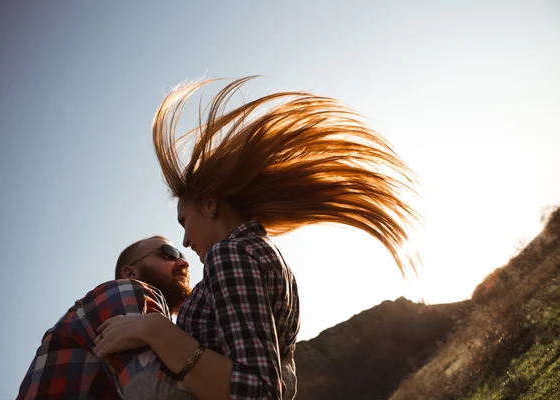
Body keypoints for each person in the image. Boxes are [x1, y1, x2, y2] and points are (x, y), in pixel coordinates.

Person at [94, 77, 418, 400]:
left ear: (209, 203)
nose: (187, 242)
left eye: (184, 222)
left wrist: (156, 329)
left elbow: (259, 391)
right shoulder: (260, 253)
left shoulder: (230, 255)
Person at [17, 236, 192, 399]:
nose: (183, 262)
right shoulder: (127, 289)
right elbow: (152, 389)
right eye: (169, 253)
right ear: (130, 273)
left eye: (182, 256)